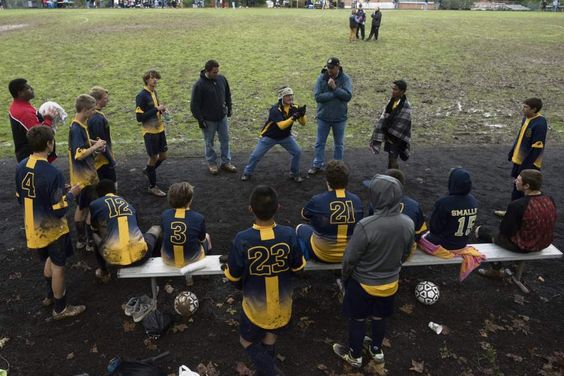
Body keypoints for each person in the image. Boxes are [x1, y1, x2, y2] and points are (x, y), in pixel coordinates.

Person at [223, 185, 306, 376]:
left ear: (250, 209)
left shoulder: (242, 239)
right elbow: (298, 268)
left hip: (255, 309)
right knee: (270, 336)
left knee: (246, 341)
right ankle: (265, 370)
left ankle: (270, 371)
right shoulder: (289, 234)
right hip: (282, 306)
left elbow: (234, 278)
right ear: (278, 208)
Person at [333, 174, 414, 368]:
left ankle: (354, 355)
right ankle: (376, 350)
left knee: (358, 318)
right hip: (390, 283)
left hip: (362, 283)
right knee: (380, 317)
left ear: (377, 197)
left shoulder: (366, 225)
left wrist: (345, 280)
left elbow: (350, 259)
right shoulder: (408, 223)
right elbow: (406, 252)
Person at [16, 126, 85, 320]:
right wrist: (71, 194)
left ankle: (49, 295)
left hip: (33, 226)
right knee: (58, 266)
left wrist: (56, 191)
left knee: (48, 259)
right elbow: (60, 209)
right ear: (49, 143)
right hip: (52, 229)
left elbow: (20, 196)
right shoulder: (52, 173)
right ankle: (61, 308)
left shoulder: (21, 165)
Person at [476, 170, 557, 277]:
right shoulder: (549, 199)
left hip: (524, 246)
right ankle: (516, 266)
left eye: (518, 180)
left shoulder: (517, 205)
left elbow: (505, 231)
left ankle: (495, 269)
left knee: (481, 231)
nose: (515, 181)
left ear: (527, 186)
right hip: (543, 242)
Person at [89, 179, 162, 282]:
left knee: (94, 234)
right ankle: (158, 261)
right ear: (115, 191)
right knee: (155, 229)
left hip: (113, 259)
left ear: (98, 193)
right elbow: (136, 225)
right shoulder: (128, 204)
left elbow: (93, 226)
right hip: (142, 255)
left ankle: (104, 272)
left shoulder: (95, 204)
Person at [297, 160, 363, 263]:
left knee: (300, 228)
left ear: (327, 181)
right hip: (349, 253)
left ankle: (299, 264)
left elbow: (304, 216)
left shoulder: (317, 200)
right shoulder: (357, 200)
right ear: (346, 181)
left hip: (322, 254)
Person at [240, 87, 307, 183]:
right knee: (256, 155)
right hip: (269, 136)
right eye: (287, 96)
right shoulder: (275, 109)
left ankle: (294, 174)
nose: (290, 98)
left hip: (285, 136)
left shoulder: (295, 107)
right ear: (281, 97)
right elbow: (281, 126)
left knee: (297, 152)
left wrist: (302, 115)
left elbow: (303, 123)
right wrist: (294, 116)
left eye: (291, 95)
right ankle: (247, 173)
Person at [68, 94, 107, 253]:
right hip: (84, 178)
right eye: (91, 110)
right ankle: (87, 241)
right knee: (85, 208)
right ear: (84, 110)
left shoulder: (78, 124)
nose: (93, 113)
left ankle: (83, 240)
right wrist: (95, 146)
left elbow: (80, 143)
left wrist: (92, 142)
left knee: (84, 207)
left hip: (83, 177)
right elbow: (79, 154)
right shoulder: (77, 128)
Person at [190, 59, 237, 175]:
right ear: (207, 71)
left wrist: (229, 108)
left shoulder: (222, 79)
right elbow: (194, 105)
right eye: (214, 72)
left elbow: (227, 95)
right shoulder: (199, 85)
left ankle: (226, 162)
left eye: (217, 71)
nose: (217, 74)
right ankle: (212, 163)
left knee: (225, 140)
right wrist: (200, 120)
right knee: (209, 142)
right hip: (208, 120)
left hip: (222, 117)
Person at [309, 58, 353, 175]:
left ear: (338, 66)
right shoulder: (321, 78)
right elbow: (318, 97)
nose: (329, 70)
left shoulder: (345, 79)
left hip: (339, 118)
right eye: (328, 68)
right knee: (319, 143)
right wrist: (335, 93)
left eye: (332, 68)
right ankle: (317, 164)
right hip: (323, 117)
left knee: (339, 144)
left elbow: (348, 96)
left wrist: (335, 88)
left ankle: (337, 167)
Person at [502, 98, 547, 206]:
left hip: (529, 164)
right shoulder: (526, 118)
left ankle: (527, 211)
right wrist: (513, 152)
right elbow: (520, 137)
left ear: (534, 109)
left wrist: (526, 166)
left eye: (526, 107)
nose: (523, 109)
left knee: (527, 189)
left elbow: (536, 148)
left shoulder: (540, 124)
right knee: (517, 186)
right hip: (519, 161)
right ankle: (513, 209)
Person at [364, 169, 427, 242]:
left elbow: (369, 230)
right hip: (405, 249)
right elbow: (418, 235)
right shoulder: (415, 205)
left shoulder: (376, 204)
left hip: (381, 247)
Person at [424, 168, 478, 250]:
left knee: (422, 236)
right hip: (462, 243)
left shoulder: (444, 202)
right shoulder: (473, 201)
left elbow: (434, 228)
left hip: (444, 244)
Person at [160, 182, 211, 268]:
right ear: (190, 200)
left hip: (168, 260)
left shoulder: (165, 215)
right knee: (207, 237)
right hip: (193, 261)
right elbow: (202, 239)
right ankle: (205, 269)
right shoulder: (198, 217)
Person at [136, 69, 169, 197]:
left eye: (156, 78)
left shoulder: (154, 92)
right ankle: (152, 186)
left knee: (163, 156)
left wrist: (162, 111)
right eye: (152, 78)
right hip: (150, 132)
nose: (155, 80)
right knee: (153, 157)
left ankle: (149, 171)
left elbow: (155, 110)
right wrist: (156, 109)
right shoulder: (141, 96)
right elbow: (139, 118)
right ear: (146, 79)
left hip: (159, 129)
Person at [8, 78, 57, 163]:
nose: (32, 89)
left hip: (26, 157)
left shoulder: (17, 105)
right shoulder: (25, 113)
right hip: (34, 160)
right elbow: (40, 136)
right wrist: (48, 119)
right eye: (28, 88)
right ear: (20, 93)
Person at [370, 80, 412, 170]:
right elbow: (384, 117)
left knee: (393, 159)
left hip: (397, 138)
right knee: (391, 158)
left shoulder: (406, 105)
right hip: (389, 136)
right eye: (393, 89)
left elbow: (404, 124)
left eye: (395, 89)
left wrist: (391, 131)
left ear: (402, 91)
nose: (393, 91)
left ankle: (395, 178)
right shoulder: (391, 102)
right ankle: (393, 177)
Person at [88, 86, 117, 187]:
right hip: (102, 162)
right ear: (97, 101)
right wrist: (111, 160)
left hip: (99, 160)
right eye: (105, 98)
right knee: (111, 188)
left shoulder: (95, 115)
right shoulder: (97, 119)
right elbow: (101, 144)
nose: (107, 100)